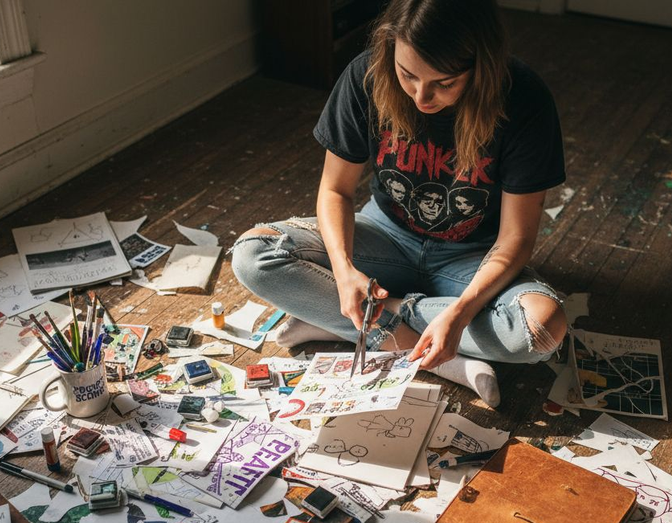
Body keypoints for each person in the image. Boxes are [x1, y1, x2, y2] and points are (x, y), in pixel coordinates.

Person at [232, 0, 568, 407]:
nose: (421, 96)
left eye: (444, 83)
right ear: (390, 47)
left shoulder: (524, 99)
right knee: (254, 254)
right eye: (408, 75)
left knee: (541, 330)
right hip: (385, 238)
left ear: (483, 67)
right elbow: (336, 190)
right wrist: (343, 274)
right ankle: (432, 355)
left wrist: (460, 315)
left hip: (472, 258)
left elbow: (516, 237)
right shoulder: (366, 74)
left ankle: (345, 320)